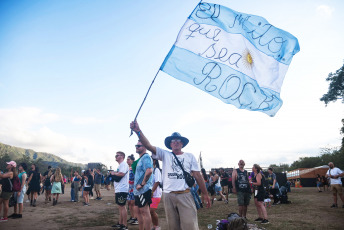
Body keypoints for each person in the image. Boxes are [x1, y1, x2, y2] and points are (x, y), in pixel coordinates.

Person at [130, 120, 211, 230]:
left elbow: (197, 175)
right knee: (173, 226)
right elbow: (148, 145)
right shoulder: (165, 154)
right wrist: (138, 131)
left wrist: (205, 193)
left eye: (178, 140)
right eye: (173, 141)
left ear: (182, 143)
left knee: (190, 225)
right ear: (170, 144)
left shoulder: (189, 156)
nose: (176, 142)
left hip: (185, 194)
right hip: (168, 195)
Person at [133, 141, 153, 230]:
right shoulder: (141, 158)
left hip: (143, 190)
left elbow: (149, 170)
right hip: (138, 191)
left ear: (145, 147)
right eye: (136, 145)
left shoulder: (146, 157)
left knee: (145, 212)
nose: (136, 147)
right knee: (139, 212)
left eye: (138, 146)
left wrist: (142, 183)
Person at [111, 151, 129, 230]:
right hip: (119, 188)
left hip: (122, 188)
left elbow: (122, 174)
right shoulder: (121, 165)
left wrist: (113, 173)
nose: (115, 157)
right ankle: (120, 223)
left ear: (122, 156)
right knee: (120, 206)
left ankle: (124, 225)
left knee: (122, 206)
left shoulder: (124, 164)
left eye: (117, 155)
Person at [126, 154, 139, 225]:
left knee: (133, 203)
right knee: (129, 203)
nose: (127, 161)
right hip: (128, 188)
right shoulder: (127, 168)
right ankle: (132, 216)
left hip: (134, 188)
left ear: (133, 161)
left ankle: (136, 218)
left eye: (128, 159)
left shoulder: (135, 168)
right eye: (127, 159)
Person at [150, 158, 163, 230]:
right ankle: (155, 226)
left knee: (151, 211)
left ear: (154, 161)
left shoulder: (156, 170)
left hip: (156, 194)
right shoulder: (149, 170)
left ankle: (157, 226)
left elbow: (157, 182)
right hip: (149, 194)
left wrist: (152, 191)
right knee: (151, 212)